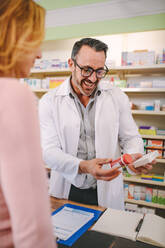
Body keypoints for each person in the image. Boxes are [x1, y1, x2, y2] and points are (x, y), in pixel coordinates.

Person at [39, 38, 153, 209]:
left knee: (105, 235)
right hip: (66, 189)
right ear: (71, 64)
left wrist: (133, 158)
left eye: (99, 71)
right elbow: (49, 151)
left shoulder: (117, 97)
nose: (93, 78)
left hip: (107, 189)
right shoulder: (49, 101)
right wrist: (84, 167)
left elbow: (130, 138)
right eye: (86, 70)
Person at [0, 0, 56, 247]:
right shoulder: (13, 94)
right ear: (14, 36)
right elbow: (32, 226)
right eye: (35, 41)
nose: (39, 54)